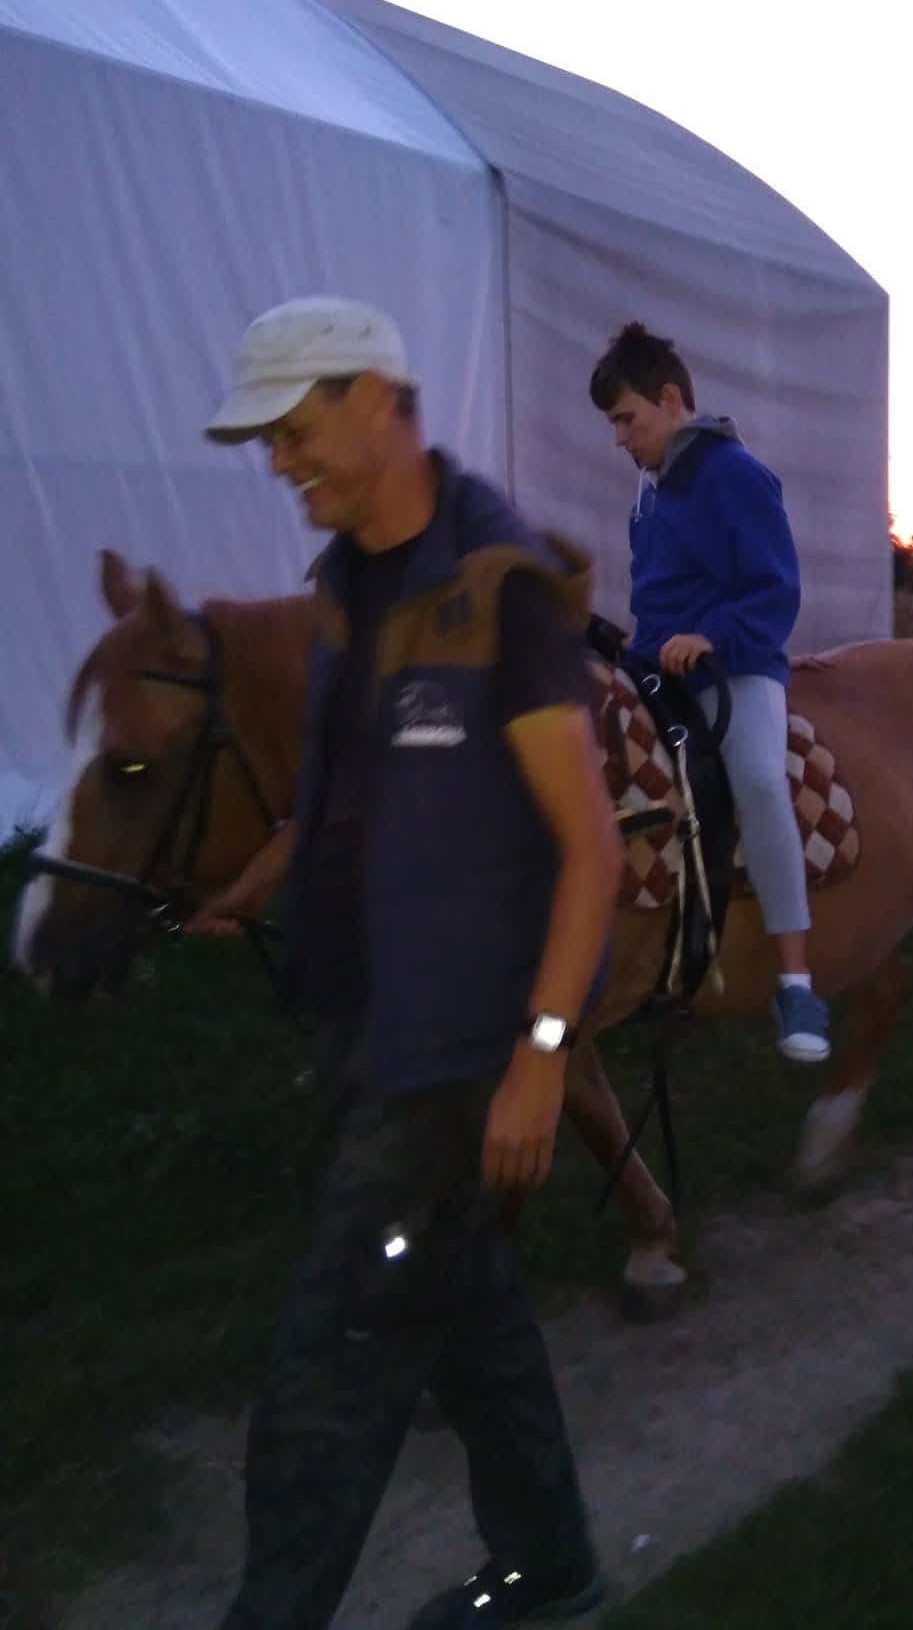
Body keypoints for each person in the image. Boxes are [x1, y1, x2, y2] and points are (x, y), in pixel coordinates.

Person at [203, 295, 621, 1630]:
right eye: (263, 436)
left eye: (293, 425)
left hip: (449, 1059)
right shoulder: (344, 587)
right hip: (360, 1028)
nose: (278, 460)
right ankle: (551, 1569)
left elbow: (592, 847)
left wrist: (541, 1058)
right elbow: (348, 793)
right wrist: (251, 892)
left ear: (379, 399)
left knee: (326, 1381)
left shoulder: (501, 585)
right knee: (471, 1320)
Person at [588, 321, 831, 1061]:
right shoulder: (650, 489)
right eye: (613, 425)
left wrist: (713, 637)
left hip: (738, 665)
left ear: (670, 400)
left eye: (627, 419)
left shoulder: (735, 474)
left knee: (758, 781)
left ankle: (795, 982)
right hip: (658, 663)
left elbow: (774, 588)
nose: (621, 439)